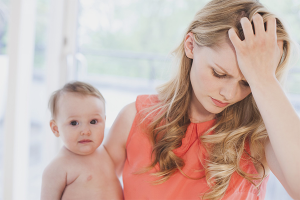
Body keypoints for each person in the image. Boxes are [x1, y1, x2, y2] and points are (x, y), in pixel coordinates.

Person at [103, 0, 300, 199]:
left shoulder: (260, 137)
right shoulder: (134, 118)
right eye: (219, 73)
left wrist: (264, 79)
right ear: (190, 46)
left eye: (247, 83)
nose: (229, 94)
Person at [41, 81, 123, 200]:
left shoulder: (107, 153)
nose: (85, 131)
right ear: (56, 128)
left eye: (93, 121)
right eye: (74, 123)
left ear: (104, 122)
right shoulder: (58, 167)